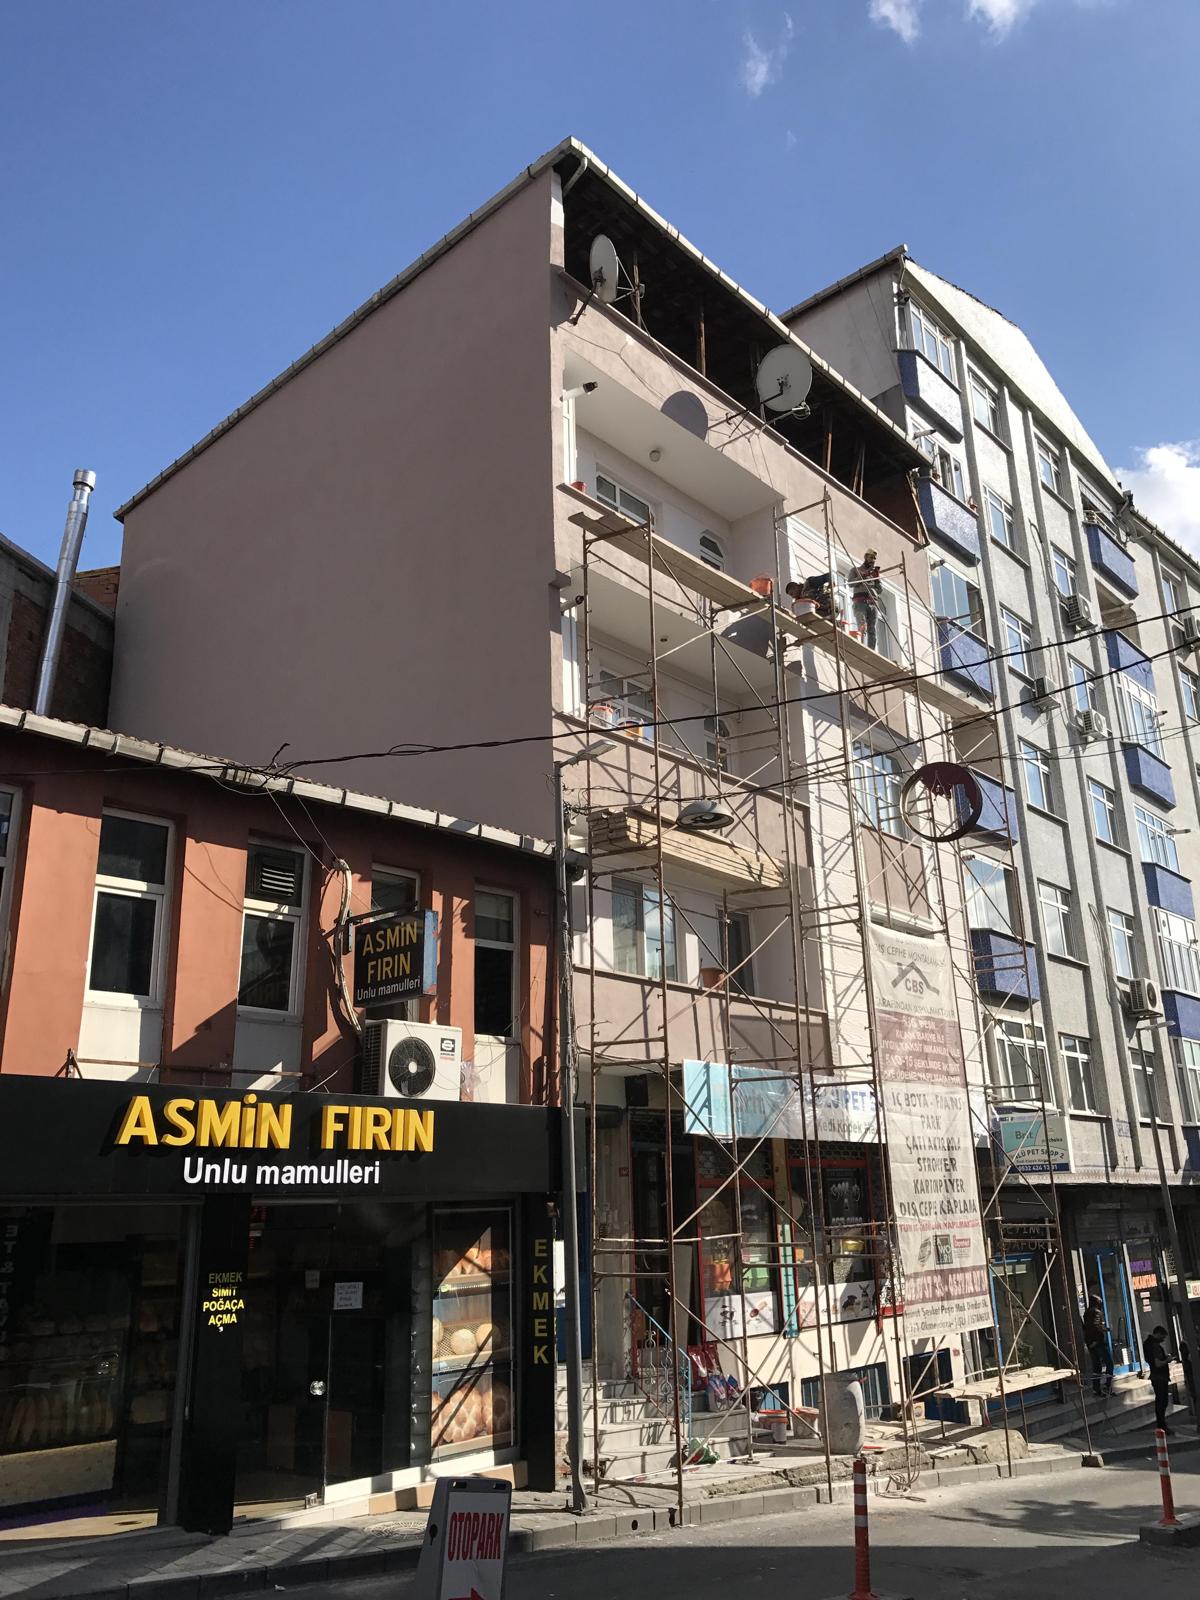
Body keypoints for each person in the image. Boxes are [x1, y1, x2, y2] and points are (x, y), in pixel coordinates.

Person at [849, 548, 882, 650]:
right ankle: (861, 647)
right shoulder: (856, 570)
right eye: (871, 557)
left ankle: (871, 650)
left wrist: (877, 579)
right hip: (860, 603)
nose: (873, 560)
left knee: (872, 630)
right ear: (865, 557)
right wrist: (863, 576)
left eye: (874, 558)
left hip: (872, 603)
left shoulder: (874, 573)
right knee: (862, 626)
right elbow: (850, 583)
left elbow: (880, 590)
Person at [1081, 1293, 1114, 1397]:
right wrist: (1100, 1336)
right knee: (1110, 1363)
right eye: (1099, 1301)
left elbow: (1089, 1327)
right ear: (1097, 1303)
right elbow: (1095, 1327)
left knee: (1097, 1366)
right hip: (1098, 1342)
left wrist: (1091, 1341)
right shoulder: (1097, 1312)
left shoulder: (1087, 1312)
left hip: (1090, 1342)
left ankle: (1096, 1389)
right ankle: (1108, 1386)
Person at [1143, 1323, 1172, 1431]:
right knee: (1162, 1401)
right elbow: (1158, 1364)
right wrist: (1167, 1360)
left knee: (1161, 1401)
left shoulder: (1148, 1344)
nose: (1163, 1340)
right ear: (1158, 1334)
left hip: (1156, 1376)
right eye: (1163, 1337)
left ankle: (1161, 1424)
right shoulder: (1154, 1346)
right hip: (1159, 1376)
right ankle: (1161, 1424)